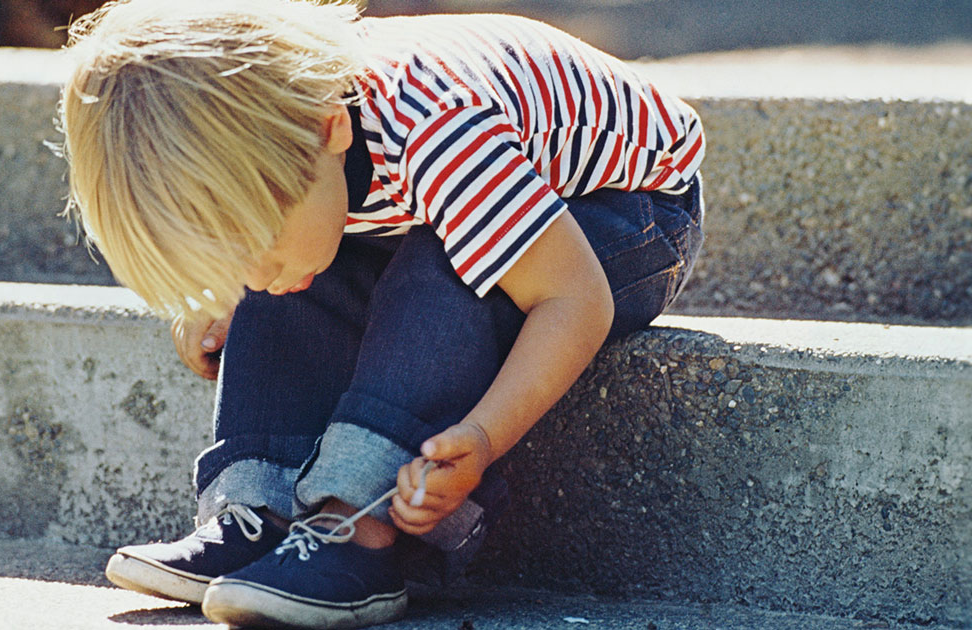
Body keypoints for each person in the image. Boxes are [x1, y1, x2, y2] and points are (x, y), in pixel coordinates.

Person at [57, 0, 704, 627]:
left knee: (445, 266)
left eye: (251, 247)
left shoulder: (436, 126)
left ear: (330, 129)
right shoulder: (302, 136)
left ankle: (356, 527)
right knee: (291, 279)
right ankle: (262, 512)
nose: (250, 274)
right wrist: (227, 292)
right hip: (445, 207)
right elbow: (282, 241)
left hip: (629, 213)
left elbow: (572, 298)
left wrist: (482, 437)